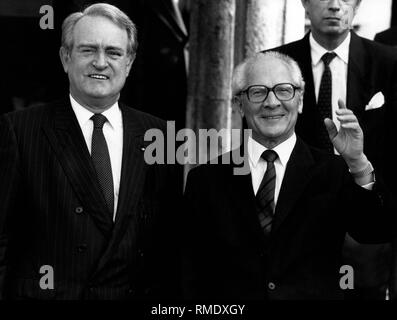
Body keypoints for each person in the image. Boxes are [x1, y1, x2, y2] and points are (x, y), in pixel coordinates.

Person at [0, 3, 182, 300]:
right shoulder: (19, 131)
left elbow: (169, 247)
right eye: (87, 50)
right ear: (65, 58)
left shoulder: (160, 136)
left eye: (113, 52)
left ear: (129, 63)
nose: (100, 62)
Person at [182, 51, 395, 300]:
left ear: (300, 100)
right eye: (258, 92)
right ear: (239, 104)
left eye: (284, 90)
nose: (272, 102)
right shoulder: (204, 180)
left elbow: (377, 229)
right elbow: (189, 272)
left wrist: (358, 162)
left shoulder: (335, 172)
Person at [265, 0, 397, 300]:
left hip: (366, 218)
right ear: (305, 5)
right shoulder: (276, 62)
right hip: (295, 217)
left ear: (358, 5)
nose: (335, 6)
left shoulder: (389, 61)